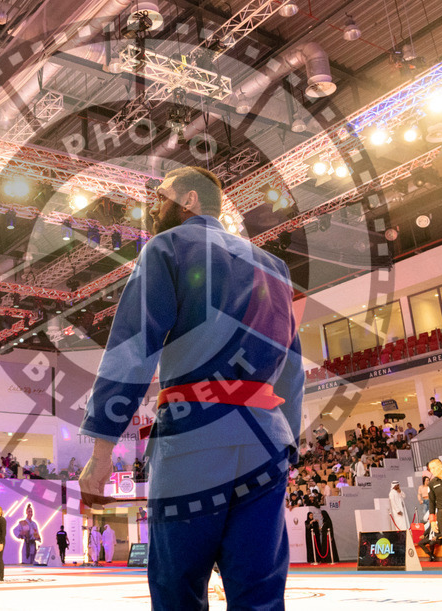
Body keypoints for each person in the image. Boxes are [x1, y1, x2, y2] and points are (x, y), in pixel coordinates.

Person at [77, 167, 304, 610]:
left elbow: (133, 345)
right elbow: (292, 368)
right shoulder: (274, 267)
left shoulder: (169, 247)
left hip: (194, 438)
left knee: (178, 590)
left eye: (160, 197)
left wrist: (102, 451)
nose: (153, 208)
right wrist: (288, 444)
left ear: (189, 202)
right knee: (260, 594)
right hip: (266, 440)